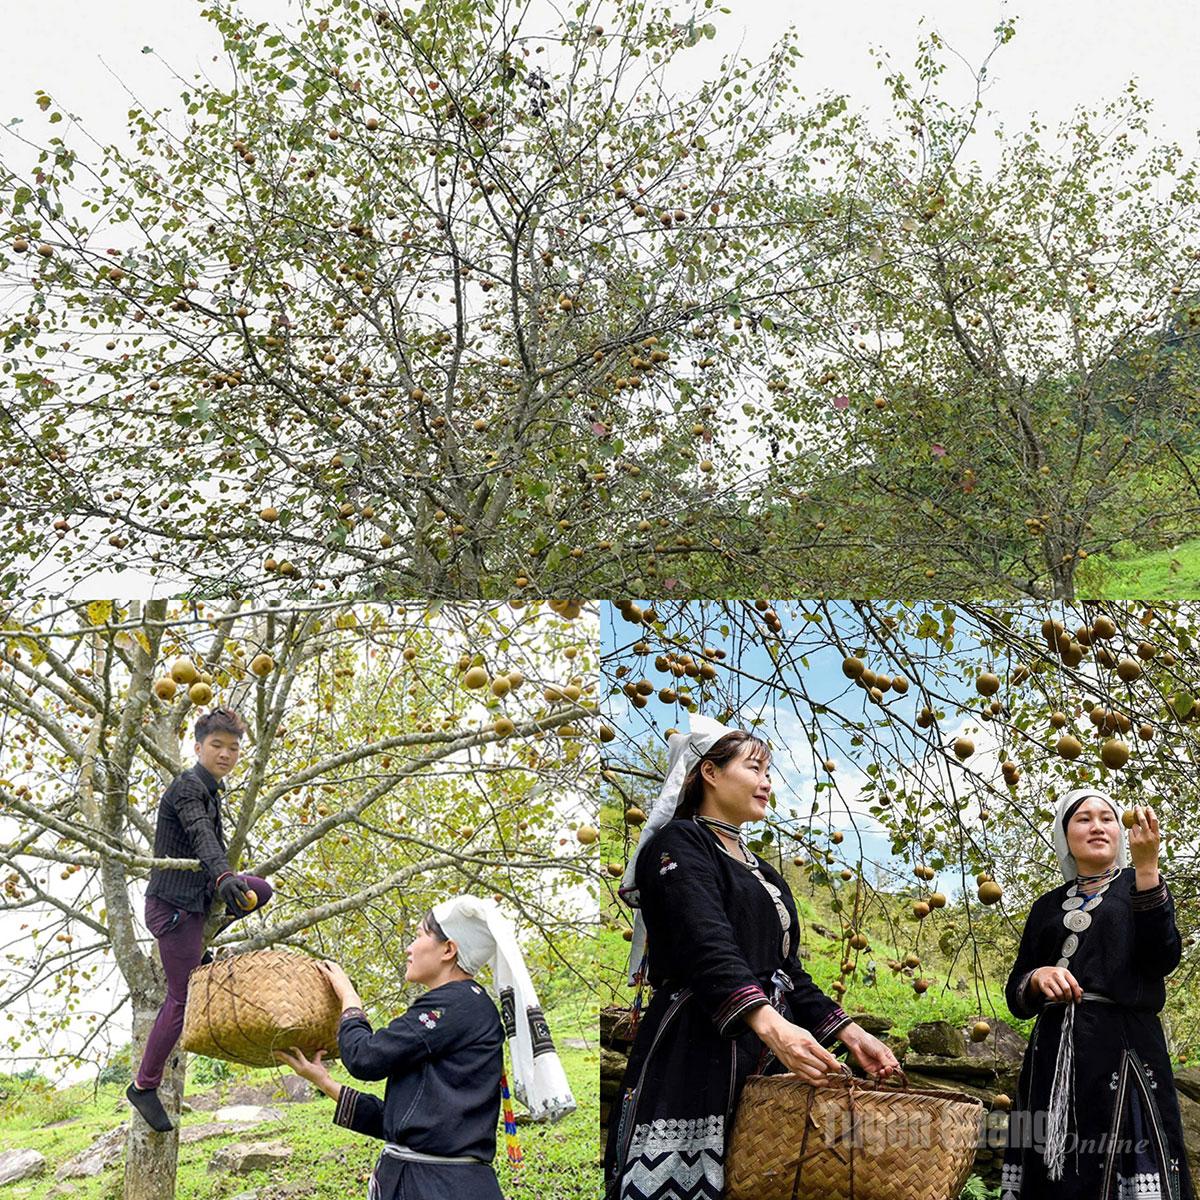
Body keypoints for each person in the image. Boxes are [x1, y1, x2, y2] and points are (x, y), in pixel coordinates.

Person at [604, 715, 901, 1200]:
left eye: (769, 772)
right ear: (710, 772)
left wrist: (849, 1031)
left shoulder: (761, 870)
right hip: (697, 1046)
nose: (766, 783)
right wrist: (769, 1022)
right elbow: (706, 944)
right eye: (755, 768)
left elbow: (787, 971)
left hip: (761, 1055)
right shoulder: (678, 845)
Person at [276, 896, 576, 1200]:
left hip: (434, 1187)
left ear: (448, 949)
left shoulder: (454, 1006)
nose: (409, 947)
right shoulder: (466, 1007)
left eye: (419, 935)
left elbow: (364, 1058)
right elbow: (399, 1122)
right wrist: (324, 1081)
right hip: (438, 1183)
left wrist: (349, 1000)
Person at [1000, 788, 1194, 1200]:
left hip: (1125, 1051)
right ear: (1065, 835)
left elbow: (1162, 957)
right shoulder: (1046, 907)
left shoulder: (1139, 885)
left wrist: (1147, 868)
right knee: (1051, 1173)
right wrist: (1037, 978)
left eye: (1107, 818)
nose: (1097, 826)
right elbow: (1015, 994)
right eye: (1083, 819)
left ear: (1121, 833)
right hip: (1051, 1058)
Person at [126, 707, 273, 1133]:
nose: (226, 754)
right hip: (173, 907)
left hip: (198, 900)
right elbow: (199, 833)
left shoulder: (213, 789)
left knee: (260, 890)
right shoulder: (189, 787)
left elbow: (209, 840)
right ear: (198, 747)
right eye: (217, 746)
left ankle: (199, 950)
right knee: (182, 997)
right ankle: (144, 1086)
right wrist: (223, 875)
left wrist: (225, 882)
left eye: (233, 748)